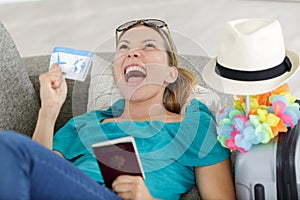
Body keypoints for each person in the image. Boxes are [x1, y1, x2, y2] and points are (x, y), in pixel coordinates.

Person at [0, 19, 235, 199]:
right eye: (124, 48)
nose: (132, 52)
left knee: (7, 145)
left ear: (169, 74)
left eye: (149, 46)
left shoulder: (194, 125)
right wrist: (49, 110)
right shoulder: (85, 124)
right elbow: (39, 170)